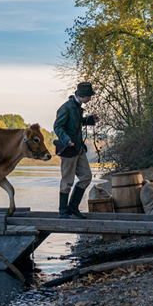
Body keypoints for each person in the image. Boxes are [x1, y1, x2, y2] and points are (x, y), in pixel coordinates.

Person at [53, 82, 98, 219]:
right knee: (67, 180)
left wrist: (89, 120)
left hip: (78, 149)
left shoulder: (77, 107)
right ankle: (62, 211)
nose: (90, 99)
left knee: (86, 177)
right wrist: (67, 140)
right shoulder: (66, 108)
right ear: (82, 96)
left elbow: (76, 123)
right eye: (89, 96)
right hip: (68, 149)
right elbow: (57, 126)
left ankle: (72, 208)